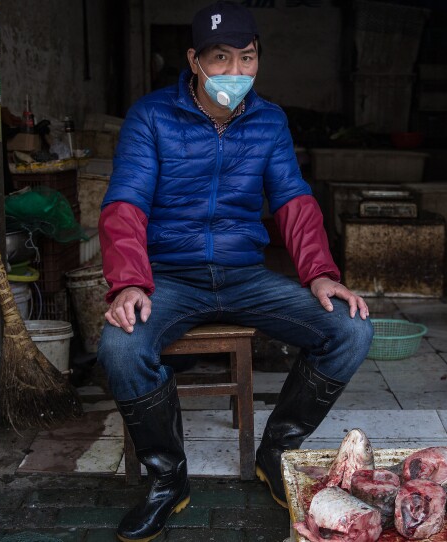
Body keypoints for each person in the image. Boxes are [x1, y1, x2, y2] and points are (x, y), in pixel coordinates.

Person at [97, 2, 373, 540]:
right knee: (120, 346)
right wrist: (129, 281)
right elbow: (124, 204)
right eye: (220, 59)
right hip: (170, 278)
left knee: (351, 328)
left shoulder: (269, 121)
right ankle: (167, 480)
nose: (235, 73)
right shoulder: (151, 117)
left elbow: (293, 199)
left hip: (245, 276)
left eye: (247, 58)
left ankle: (277, 454)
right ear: (194, 61)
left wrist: (319, 272)